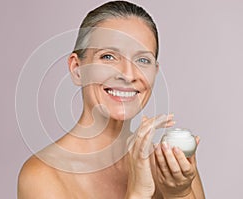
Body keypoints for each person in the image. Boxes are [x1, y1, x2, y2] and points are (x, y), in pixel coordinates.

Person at [18, 1, 205, 198]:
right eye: (108, 57)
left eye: (143, 60)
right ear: (77, 69)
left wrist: (179, 193)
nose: (128, 74)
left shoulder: (171, 166)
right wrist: (138, 192)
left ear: (155, 72)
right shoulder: (42, 175)